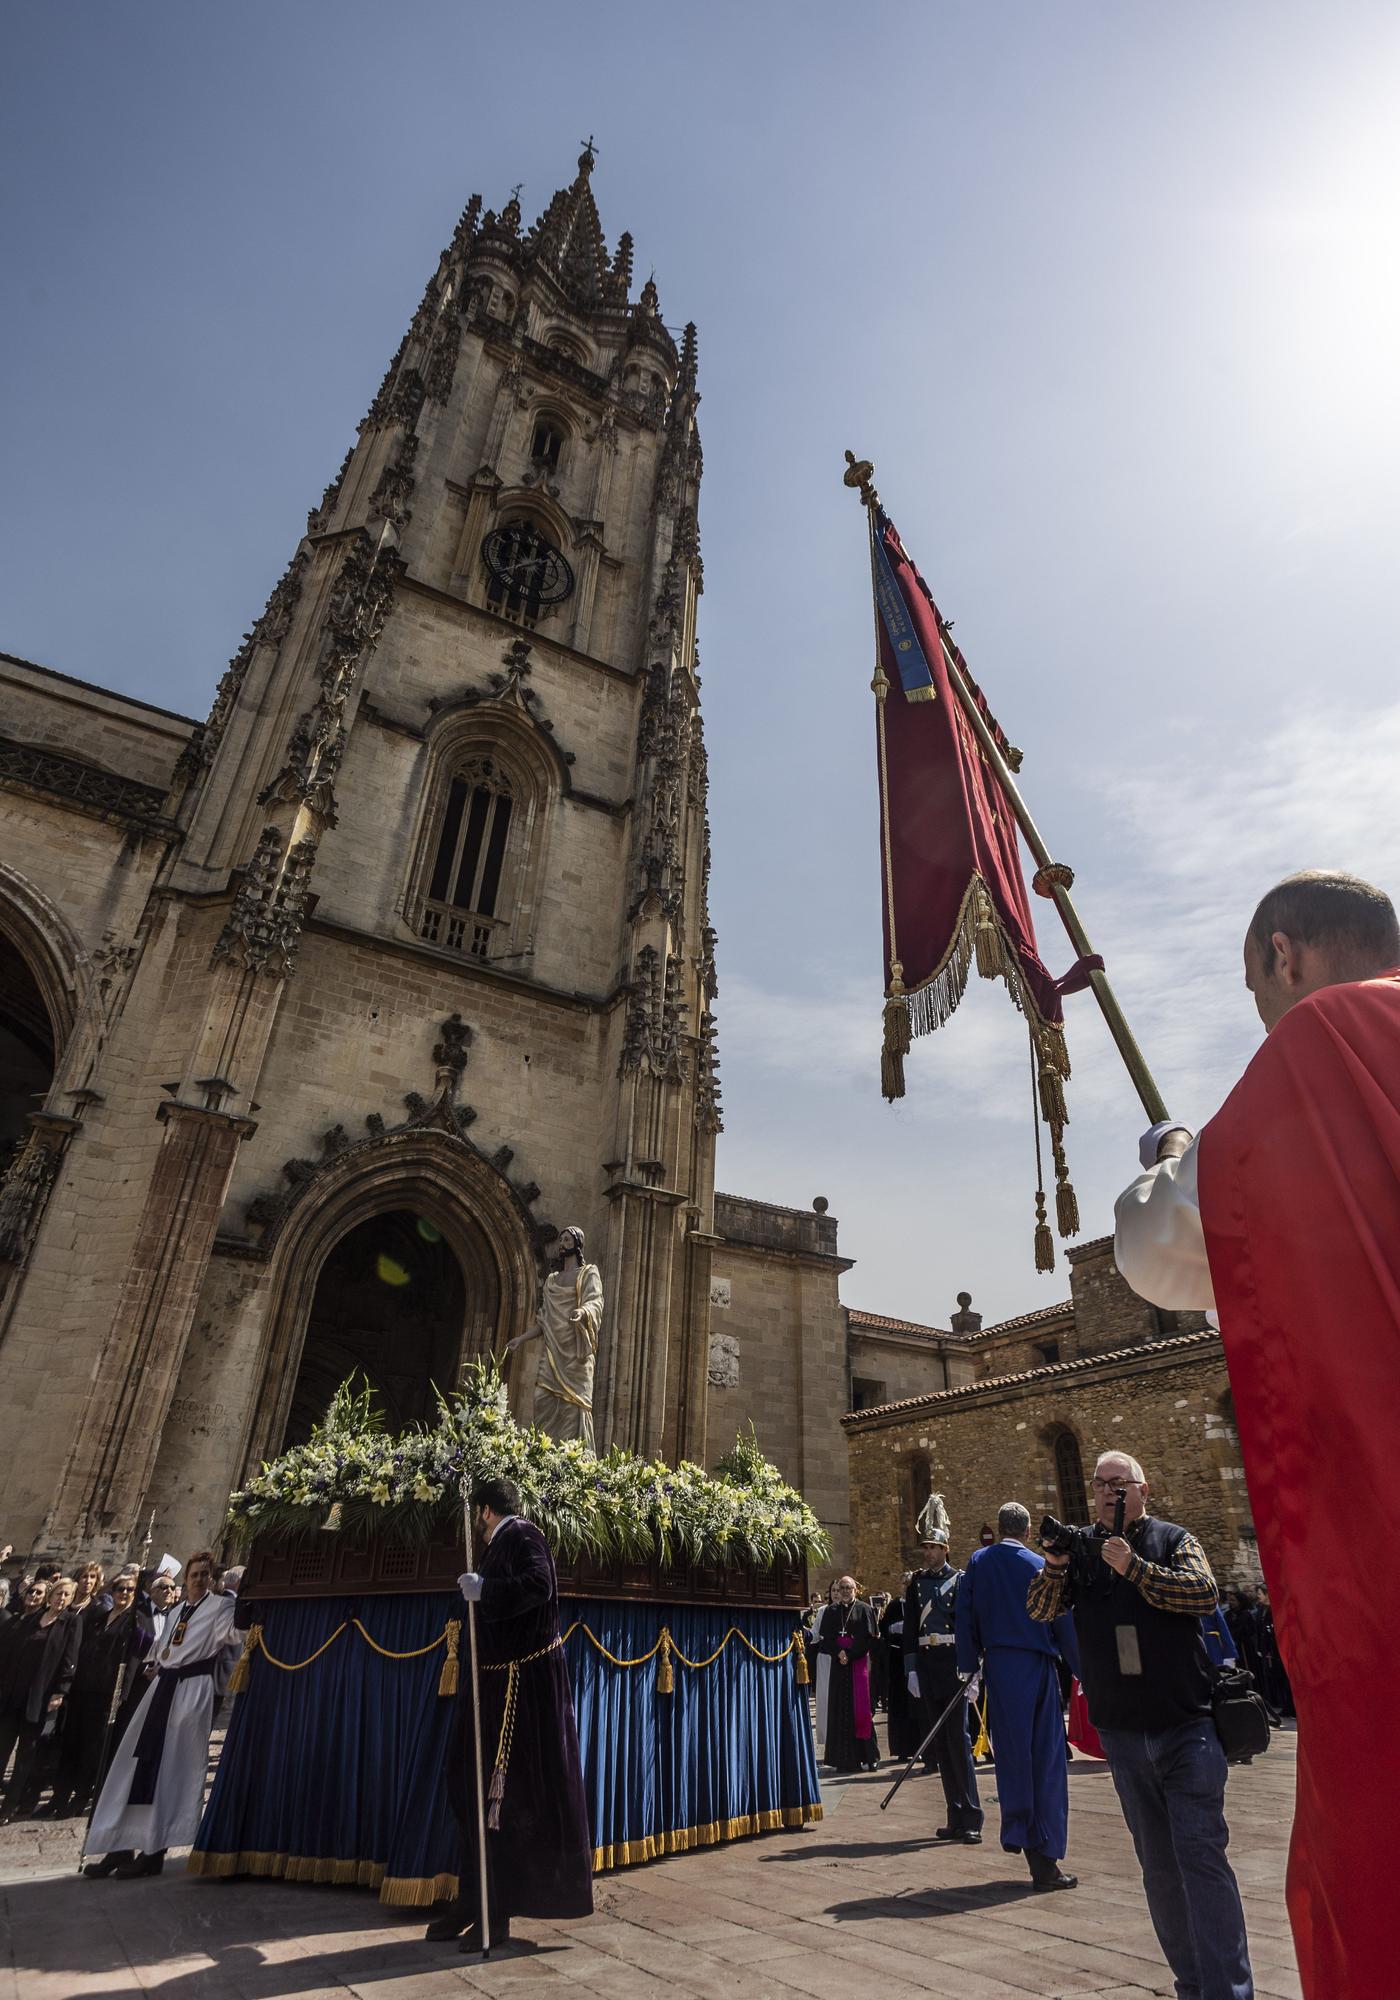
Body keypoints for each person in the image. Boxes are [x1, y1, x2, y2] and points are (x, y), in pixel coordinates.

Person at [1113, 869, 1400, 1998]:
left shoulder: (1328, 1033)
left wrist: (1168, 1153)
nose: (1262, 1013)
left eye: (1252, 986)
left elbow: (1159, 1248)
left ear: (1283, 954)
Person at [1028, 1450, 1253, 2000]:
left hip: (1187, 1726)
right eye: (1100, 1484)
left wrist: (1135, 1568)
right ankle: (1193, 1985)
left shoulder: (1174, 1540)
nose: (1109, 1492)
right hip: (1124, 1734)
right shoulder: (1082, 1548)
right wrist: (1057, 1564)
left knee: (1200, 1856)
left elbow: (1203, 1593)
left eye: (1119, 1483)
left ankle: (1228, 1991)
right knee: (1158, 1868)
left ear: (1142, 1489)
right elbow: (1039, 1610)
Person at [426, 1476, 592, 1954]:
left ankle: (494, 1912)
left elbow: (539, 1585)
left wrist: (487, 1590)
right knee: (465, 1787)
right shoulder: (504, 1540)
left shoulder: (521, 1534)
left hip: (520, 1689)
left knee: (500, 1804)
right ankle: (471, 1898)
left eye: (477, 1514)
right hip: (494, 1683)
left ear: (483, 1510)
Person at [84, 1549, 239, 1877]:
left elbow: (236, 1633)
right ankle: (119, 1845)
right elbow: (161, 1649)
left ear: (212, 1579)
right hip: (161, 1689)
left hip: (191, 1690)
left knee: (171, 1771)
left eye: (204, 1575)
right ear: (186, 1579)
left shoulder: (221, 1607)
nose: (198, 1580)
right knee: (133, 1764)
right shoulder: (175, 1610)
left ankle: (155, 1849)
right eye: (194, 1574)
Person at [954, 1503, 1075, 1891]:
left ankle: (1021, 1834)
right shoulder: (1040, 1565)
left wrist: (967, 1664)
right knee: (1046, 1760)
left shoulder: (978, 1561)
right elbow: (1063, 1619)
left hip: (999, 1668)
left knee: (1013, 1757)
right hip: (1037, 1666)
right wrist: (1081, 1669)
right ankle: (1046, 1858)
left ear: (1000, 1527)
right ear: (1026, 1531)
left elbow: (965, 1612)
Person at [903, 1504, 982, 1843]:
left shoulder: (961, 1581)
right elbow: (909, 1630)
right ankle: (954, 1814)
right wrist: (910, 1669)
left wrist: (973, 1671)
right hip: (927, 1664)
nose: (928, 1553)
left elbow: (970, 1625)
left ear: (945, 1550)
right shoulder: (915, 1584)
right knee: (940, 1745)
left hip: (953, 1662)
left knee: (958, 1742)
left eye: (933, 1547)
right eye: (925, 1548)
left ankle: (972, 1816)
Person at [48, 1572, 150, 1818]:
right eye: (119, 1589)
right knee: (71, 1744)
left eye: (128, 1590)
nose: (123, 1593)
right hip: (82, 1689)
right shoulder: (97, 1617)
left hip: (107, 1695)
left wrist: (122, 1695)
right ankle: (59, 1796)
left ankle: (81, 1796)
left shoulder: (137, 1622)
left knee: (93, 1750)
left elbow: (135, 1660)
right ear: (111, 1592)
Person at [504, 1226, 604, 1447]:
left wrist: (583, 1311)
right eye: (560, 1240)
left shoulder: (588, 1273)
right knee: (542, 1399)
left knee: (572, 1409)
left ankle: (572, 1460)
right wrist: (521, 1339)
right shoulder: (551, 1281)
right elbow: (544, 1322)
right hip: (552, 1355)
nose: (562, 1243)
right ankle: (542, 1455)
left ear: (577, 1243)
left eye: (567, 1239)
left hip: (576, 1358)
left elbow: (595, 1301)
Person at [0, 1573, 83, 1819]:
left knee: (26, 1755)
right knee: (2, 1749)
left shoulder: (70, 1622)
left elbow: (70, 1659)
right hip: (14, 1693)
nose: (62, 1598)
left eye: (67, 1595)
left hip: (40, 1697)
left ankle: (9, 1805)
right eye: (59, 1593)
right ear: (50, 1595)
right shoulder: (31, 1619)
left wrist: (60, 1691)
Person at [811, 1576, 879, 1772]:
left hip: (857, 1663)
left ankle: (869, 1756)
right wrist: (838, 1652)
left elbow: (867, 1637)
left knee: (862, 1710)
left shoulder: (865, 1609)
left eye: (849, 1587)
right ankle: (843, 1759)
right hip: (838, 1666)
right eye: (842, 1588)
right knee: (840, 1710)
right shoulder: (831, 1611)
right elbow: (826, 1638)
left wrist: (849, 1653)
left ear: (856, 1590)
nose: (846, 1591)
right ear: (837, 1591)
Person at [879, 1577, 921, 1760]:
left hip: (916, 1659)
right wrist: (892, 1629)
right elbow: (883, 1627)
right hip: (897, 1661)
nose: (906, 1588)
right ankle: (901, 1748)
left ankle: (919, 1747)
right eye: (904, 1584)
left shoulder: (919, 1603)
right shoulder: (895, 1606)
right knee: (899, 1706)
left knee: (916, 1704)